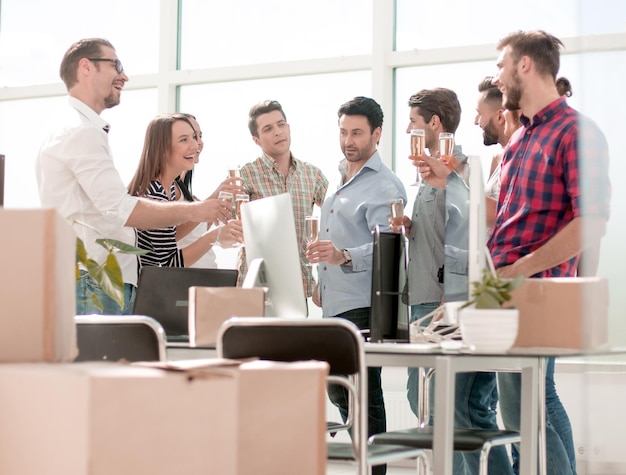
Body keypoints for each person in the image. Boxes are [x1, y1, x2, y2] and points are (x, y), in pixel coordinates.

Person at [36, 38, 231, 315]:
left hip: (97, 279)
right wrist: (198, 211)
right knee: (101, 360)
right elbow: (120, 209)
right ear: (86, 67)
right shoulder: (81, 132)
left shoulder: (76, 130)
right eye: (116, 65)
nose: (124, 76)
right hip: (97, 281)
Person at [491, 30, 611, 475]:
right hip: (501, 288)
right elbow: (511, 217)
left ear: (525, 64)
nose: (497, 76)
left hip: (537, 290)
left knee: (527, 412)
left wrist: (521, 269)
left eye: (502, 65)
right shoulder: (519, 140)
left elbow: (591, 222)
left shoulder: (578, 132)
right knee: (524, 409)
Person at [399, 88, 513, 475]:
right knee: (427, 401)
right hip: (424, 298)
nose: (409, 129)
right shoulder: (426, 173)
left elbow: (471, 234)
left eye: (414, 122)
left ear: (433, 123)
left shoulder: (461, 169)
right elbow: (441, 231)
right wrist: (410, 227)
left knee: (464, 406)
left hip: (452, 301)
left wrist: (457, 304)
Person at [306, 96, 406, 475]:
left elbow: (391, 246)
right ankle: (366, 459)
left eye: (358, 133)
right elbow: (332, 240)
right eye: (344, 132)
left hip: (365, 303)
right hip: (334, 303)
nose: (349, 140)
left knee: (363, 390)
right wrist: (321, 280)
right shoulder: (340, 179)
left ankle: (373, 468)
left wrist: (344, 256)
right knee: (339, 386)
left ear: (377, 134)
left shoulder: (385, 186)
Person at [238, 100, 329, 300]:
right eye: (268, 129)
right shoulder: (245, 175)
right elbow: (234, 228)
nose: (278, 132)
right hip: (258, 285)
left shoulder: (313, 175)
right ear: (257, 140)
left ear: (288, 128)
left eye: (281, 125)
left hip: (298, 284)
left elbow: (336, 218)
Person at [128, 113, 242, 268]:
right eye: (184, 140)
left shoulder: (169, 192)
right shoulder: (153, 193)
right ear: (162, 148)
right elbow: (168, 266)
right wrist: (215, 236)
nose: (195, 146)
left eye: (194, 138)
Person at [175, 113, 243, 269]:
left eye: (198, 136)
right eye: (188, 138)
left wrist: (215, 210)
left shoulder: (188, 195)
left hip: (206, 276)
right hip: (183, 281)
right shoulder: (165, 189)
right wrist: (213, 199)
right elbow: (171, 237)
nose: (197, 143)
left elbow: (193, 234)